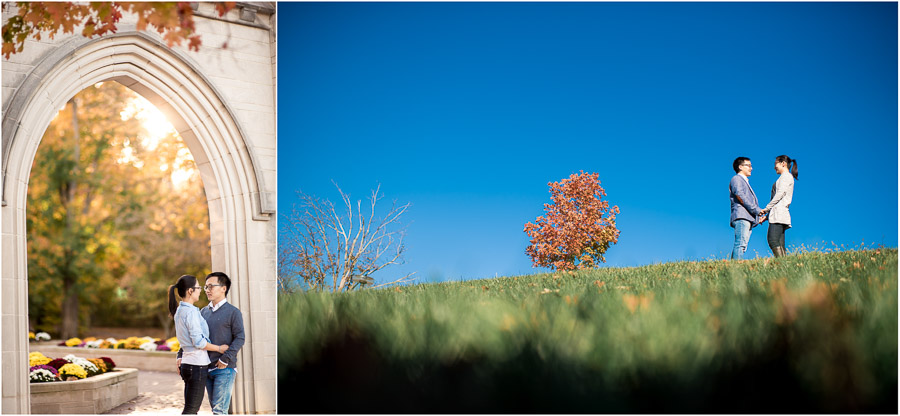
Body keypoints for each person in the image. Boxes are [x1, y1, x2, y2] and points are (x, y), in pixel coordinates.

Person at [176, 272, 245, 415]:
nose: (207, 290)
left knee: (219, 411)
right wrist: (180, 354)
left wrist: (225, 359)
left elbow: (240, 338)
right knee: (213, 408)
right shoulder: (202, 312)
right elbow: (191, 336)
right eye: (205, 286)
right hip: (205, 367)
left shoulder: (233, 312)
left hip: (224, 368)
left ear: (223, 288)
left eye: (211, 286)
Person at [168, 275, 229, 415]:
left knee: (190, 407)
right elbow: (199, 342)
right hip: (196, 365)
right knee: (191, 410)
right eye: (198, 287)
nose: (201, 290)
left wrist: (180, 355)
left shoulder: (181, 310)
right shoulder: (190, 312)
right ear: (190, 291)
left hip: (187, 364)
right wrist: (219, 348)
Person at [759, 155, 798, 257]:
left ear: (783, 163)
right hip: (778, 214)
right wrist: (767, 217)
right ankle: (785, 266)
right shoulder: (785, 177)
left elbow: (779, 194)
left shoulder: (786, 176)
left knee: (772, 240)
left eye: (775, 164)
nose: (774, 167)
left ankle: (782, 264)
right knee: (779, 244)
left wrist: (766, 209)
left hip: (779, 214)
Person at [729, 157, 765, 260]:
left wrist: (757, 217)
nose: (751, 168)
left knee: (742, 245)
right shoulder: (736, 179)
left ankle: (733, 268)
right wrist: (757, 210)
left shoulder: (744, 181)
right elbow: (740, 195)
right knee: (740, 244)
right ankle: (737, 268)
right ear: (740, 167)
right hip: (741, 217)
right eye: (748, 165)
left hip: (747, 218)